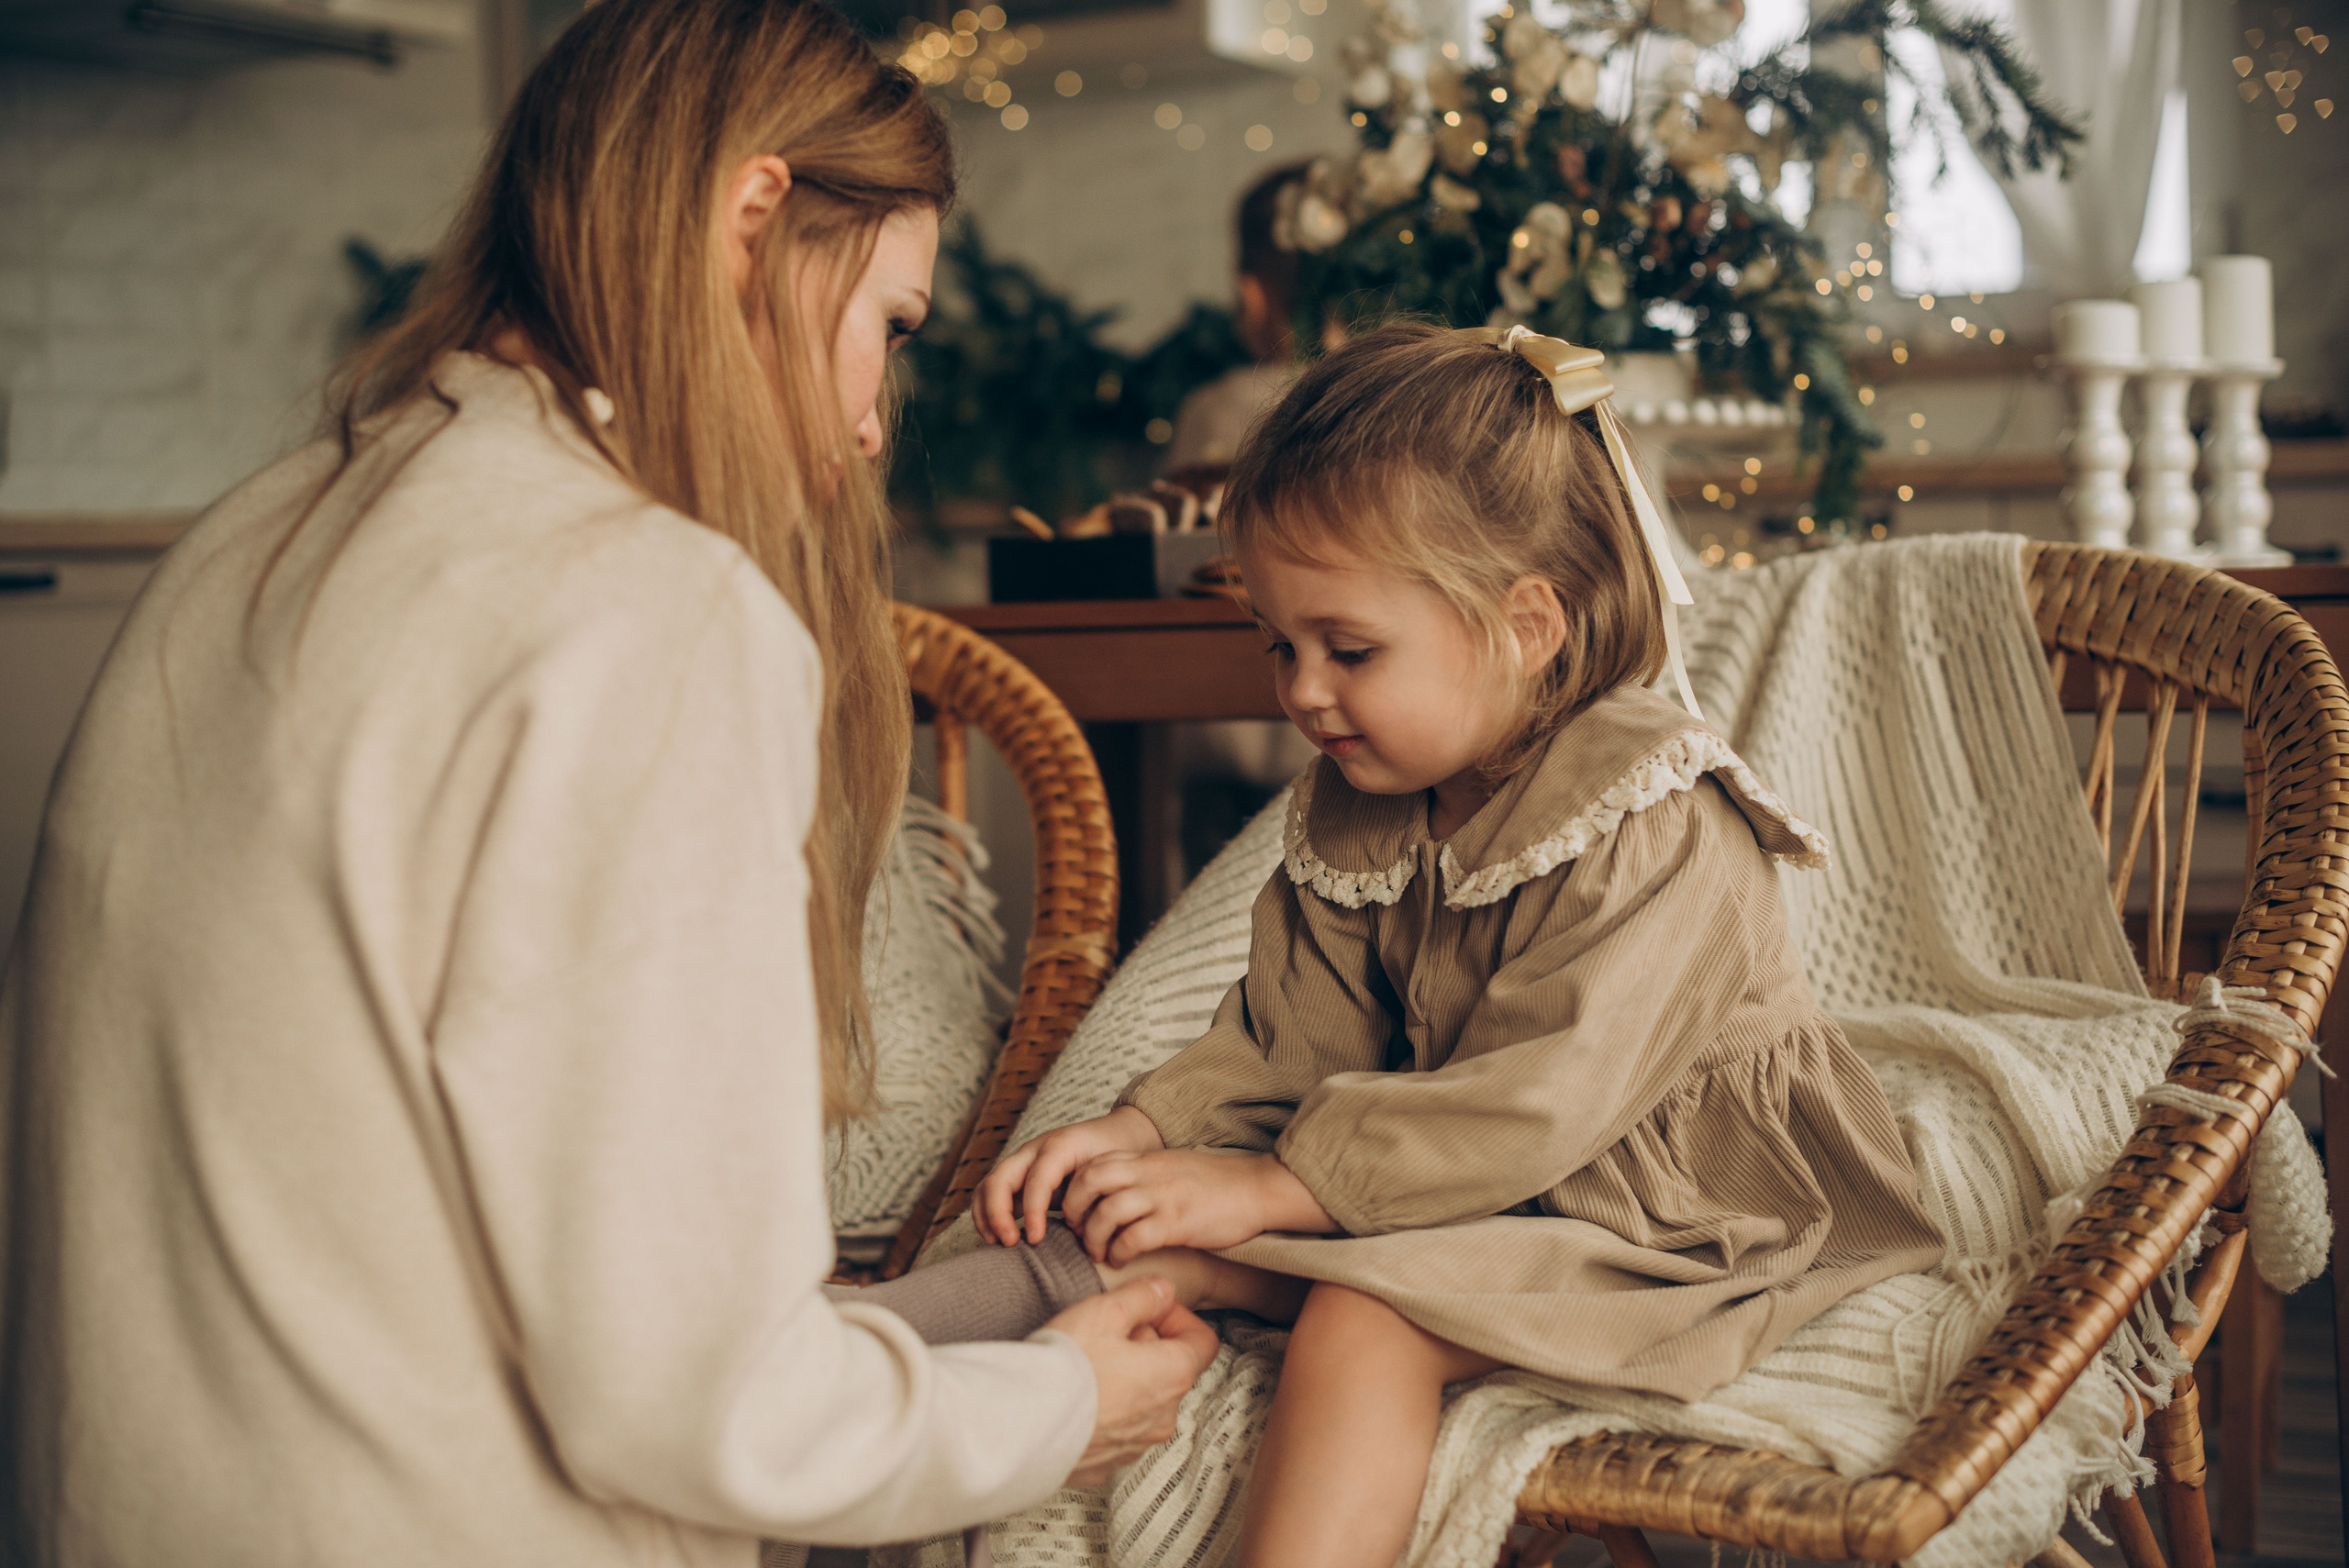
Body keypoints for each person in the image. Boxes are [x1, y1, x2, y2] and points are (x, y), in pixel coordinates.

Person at [0, 2, 1217, 1562]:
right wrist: (1051, 1408)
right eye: (891, 327)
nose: (867, 418)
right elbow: (697, 1400)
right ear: (756, 217)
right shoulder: (643, 611)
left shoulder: (260, 534)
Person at [973, 321, 1946, 1568]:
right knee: (1142, 1231)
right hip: (1465, 1179)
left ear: (1527, 623)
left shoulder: (1655, 822)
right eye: (1279, 643)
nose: (1302, 691)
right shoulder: (1366, 805)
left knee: (1360, 1325)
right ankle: (875, 1396)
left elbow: (1541, 1099)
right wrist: (1148, 1128)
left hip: (1660, 1214)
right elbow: (1290, 1031)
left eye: (1350, 649)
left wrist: (1280, 1187)